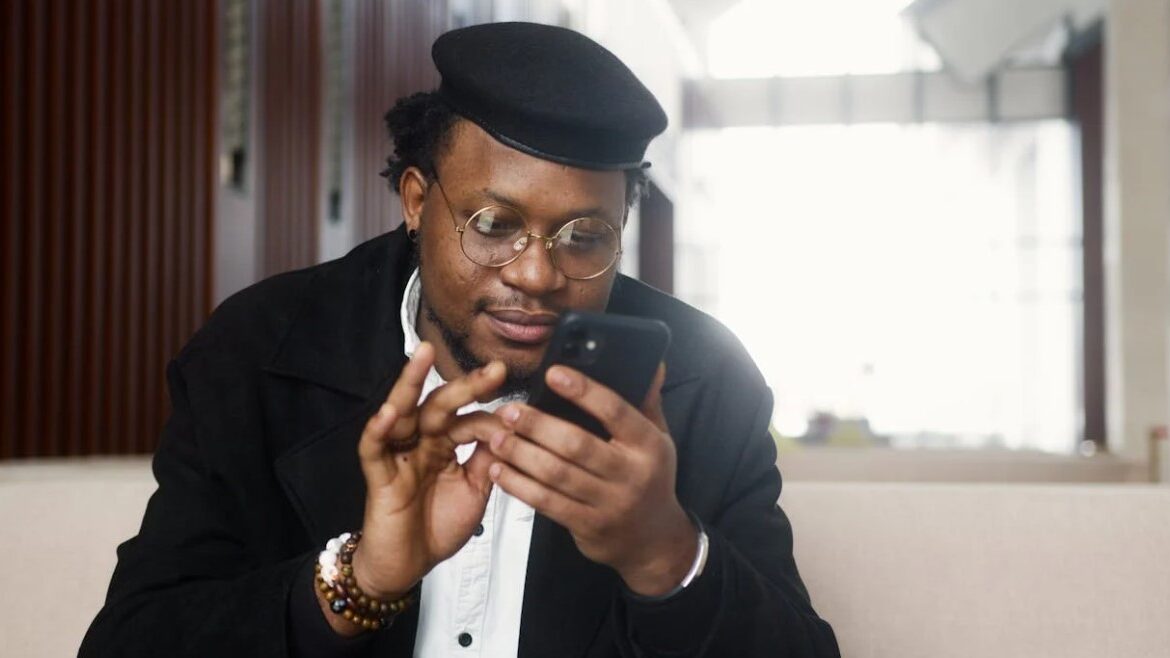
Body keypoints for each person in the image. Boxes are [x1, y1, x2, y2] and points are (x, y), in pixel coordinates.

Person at [80, 22, 839, 657]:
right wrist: (358, 580)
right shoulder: (259, 352)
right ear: (417, 202)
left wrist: (665, 555)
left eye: (585, 236)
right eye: (494, 225)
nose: (538, 274)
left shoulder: (705, 382)